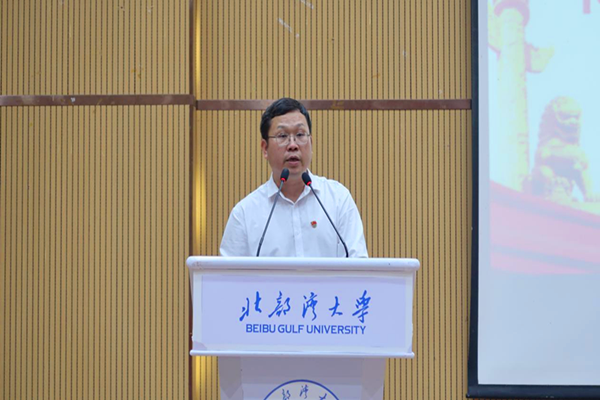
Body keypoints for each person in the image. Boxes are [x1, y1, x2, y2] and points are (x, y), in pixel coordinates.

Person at [220, 98, 368, 257]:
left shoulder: (338, 200)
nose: (293, 145)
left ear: (311, 143)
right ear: (265, 148)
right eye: (282, 136)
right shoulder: (244, 214)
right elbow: (228, 272)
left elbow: (358, 264)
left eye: (300, 134)